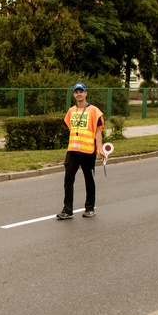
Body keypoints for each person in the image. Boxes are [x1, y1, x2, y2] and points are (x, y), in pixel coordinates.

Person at [57, 83, 104, 220]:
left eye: (81, 91)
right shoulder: (71, 111)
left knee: (89, 179)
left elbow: (97, 131)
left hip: (88, 151)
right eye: (76, 92)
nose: (79, 94)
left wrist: (99, 147)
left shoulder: (94, 111)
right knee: (68, 180)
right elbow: (71, 127)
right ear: (73, 94)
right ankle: (67, 210)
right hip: (72, 151)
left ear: (86, 93)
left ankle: (89, 209)